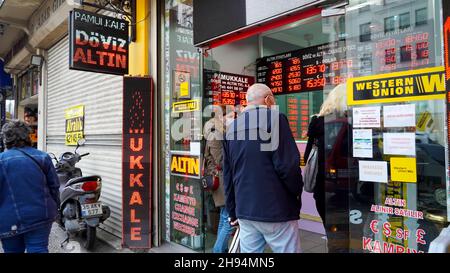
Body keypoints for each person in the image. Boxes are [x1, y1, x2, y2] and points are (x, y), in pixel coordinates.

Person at [222, 83, 303, 253]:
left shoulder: (231, 129)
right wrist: (295, 193)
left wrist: (232, 211)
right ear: (268, 99)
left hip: (244, 210)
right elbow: (288, 166)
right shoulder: (275, 119)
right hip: (277, 209)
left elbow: (228, 175)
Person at [0, 120, 60, 253]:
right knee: (38, 249)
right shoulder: (43, 157)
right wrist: (55, 209)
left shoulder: (1, 160)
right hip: (40, 214)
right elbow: (54, 187)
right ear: (27, 136)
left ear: (6, 139)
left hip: (8, 218)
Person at [203, 105, 235, 253]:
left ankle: (221, 249)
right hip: (222, 180)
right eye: (230, 116)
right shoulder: (215, 132)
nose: (233, 118)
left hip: (222, 179)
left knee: (224, 217)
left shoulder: (218, 130)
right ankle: (218, 250)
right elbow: (220, 160)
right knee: (229, 218)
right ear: (221, 116)